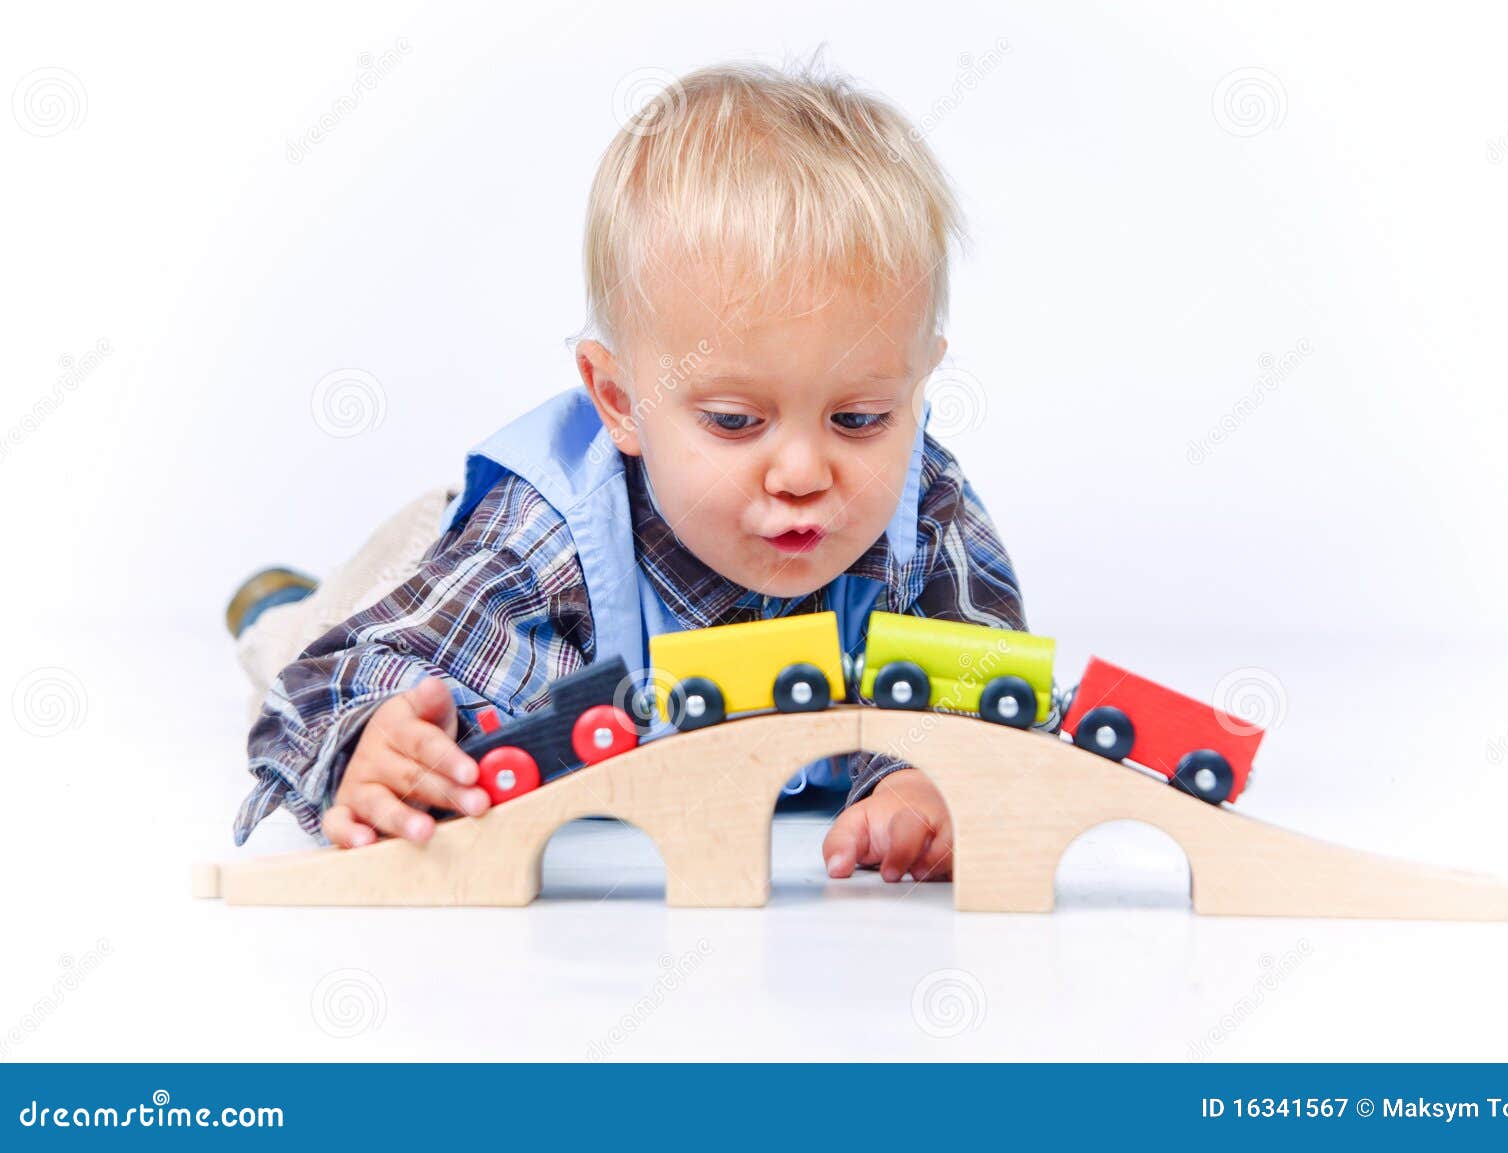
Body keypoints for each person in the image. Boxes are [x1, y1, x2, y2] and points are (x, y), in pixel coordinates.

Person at [230, 55, 1034, 885]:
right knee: (300, 636)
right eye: (735, 421)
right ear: (619, 400)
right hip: (430, 566)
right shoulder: (544, 542)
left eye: (859, 418)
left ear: (916, 384)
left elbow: (979, 670)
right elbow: (337, 676)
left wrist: (922, 777)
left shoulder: (923, 507)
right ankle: (275, 602)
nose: (802, 473)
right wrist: (369, 745)